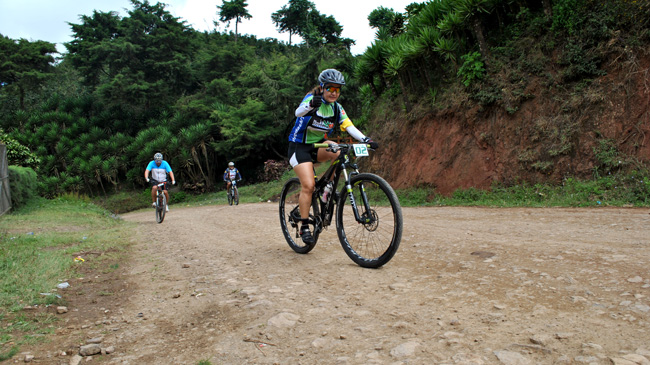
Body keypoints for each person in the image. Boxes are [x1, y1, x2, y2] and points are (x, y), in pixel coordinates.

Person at [287, 68, 378, 244]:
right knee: (309, 185)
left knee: (338, 150)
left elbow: (349, 126)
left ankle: (327, 189)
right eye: (331, 88)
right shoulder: (313, 99)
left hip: (319, 145)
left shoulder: (337, 108)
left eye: (338, 89)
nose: (334, 93)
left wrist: (366, 139)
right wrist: (310, 104)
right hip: (299, 147)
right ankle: (305, 225)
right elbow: (298, 112)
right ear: (322, 87)